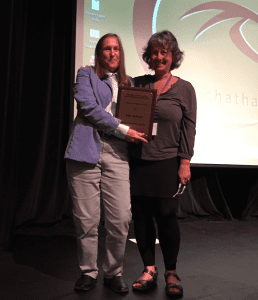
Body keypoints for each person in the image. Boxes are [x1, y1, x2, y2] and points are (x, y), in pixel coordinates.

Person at [65, 33, 148, 294]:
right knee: (87, 220)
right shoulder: (86, 74)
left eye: (116, 49)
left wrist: (144, 130)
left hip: (117, 154)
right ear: (99, 53)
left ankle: (113, 272)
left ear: (121, 54)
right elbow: (88, 108)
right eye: (107, 49)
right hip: (85, 149)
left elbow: (138, 118)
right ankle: (88, 272)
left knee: (121, 217)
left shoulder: (129, 83)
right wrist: (123, 129)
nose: (112, 53)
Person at [129, 30, 197, 297]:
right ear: (149, 56)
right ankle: (149, 269)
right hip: (138, 161)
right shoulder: (138, 84)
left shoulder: (184, 88)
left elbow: (189, 129)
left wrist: (185, 162)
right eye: (155, 52)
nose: (159, 57)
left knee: (167, 217)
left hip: (168, 161)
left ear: (173, 57)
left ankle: (171, 271)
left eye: (164, 53)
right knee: (142, 218)